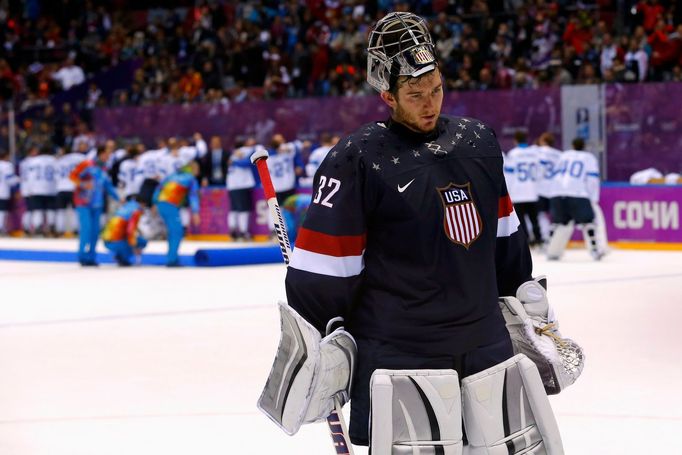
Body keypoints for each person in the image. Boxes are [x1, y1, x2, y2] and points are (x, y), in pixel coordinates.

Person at [277, 12, 568, 453]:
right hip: (403, 357)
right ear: (387, 95)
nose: (430, 103)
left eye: (436, 90)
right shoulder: (356, 159)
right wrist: (320, 341)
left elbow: (505, 238)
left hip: (487, 347)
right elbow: (325, 272)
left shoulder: (479, 142)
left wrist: (524, 296)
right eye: (415, 94)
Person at [546, 137, 604, 261]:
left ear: (572, 145)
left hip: (557, 193)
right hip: (578, 193)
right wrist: (593, 198)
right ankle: (595, 250)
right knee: (589, 223)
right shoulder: (589, 158)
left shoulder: (564, 155)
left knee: (558, 223)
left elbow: (554, 174)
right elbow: (592, 179)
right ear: (584, 146)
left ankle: (551, 250)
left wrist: (552, 193)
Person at [70, 145, 119, 266]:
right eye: (107, 154)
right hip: (83, 202)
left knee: (95, 231)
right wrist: (82, 184)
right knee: (86, 229)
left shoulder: (104, 169)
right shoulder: (87, 164)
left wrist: (118, 197)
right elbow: (72, 176)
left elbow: (107, 185)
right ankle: (82, 256)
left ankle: (91, 256)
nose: (108, 157)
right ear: (100, 154)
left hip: (97, 203)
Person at [152, 161, 200, 267]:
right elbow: (193, 196)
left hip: (161, 204)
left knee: (173, 231)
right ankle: (172, 260)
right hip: (170, 205)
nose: (198, 173)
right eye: (197, 170)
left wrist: (155, 202)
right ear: (193, 169)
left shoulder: (172, 176)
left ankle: (172, 257)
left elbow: (159, 188)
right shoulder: (191, 179)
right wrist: (195, 212)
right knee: (177, 232)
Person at [504, 131, 543, 246]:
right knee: (534, 218)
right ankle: (539, 239)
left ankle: (526, 240)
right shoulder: (534, 153)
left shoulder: (513, 154)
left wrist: (508, 191)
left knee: (521, 219)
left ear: (515, 140)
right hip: (532, 191)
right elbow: (540, 172)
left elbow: (509, 175)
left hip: (518, 192)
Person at [227, 138, 263, 241]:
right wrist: (236, 160)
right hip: (240, 185)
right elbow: (249, 162)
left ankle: (233, 231)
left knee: (234, 209)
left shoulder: (234, 154)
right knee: (243, 209)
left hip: (232, 185)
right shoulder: (243, 151)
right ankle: (243, 232)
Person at [102, 197, 147, 266]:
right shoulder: (136, 211)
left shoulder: (124, 209)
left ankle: (120, 255)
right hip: (116, 242)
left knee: (132, 240)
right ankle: (123, 257)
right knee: (141, 242)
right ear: (142, 204)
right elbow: (130, 230)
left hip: (107, 240)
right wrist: (134, 246)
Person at [55, 146, 86, 237]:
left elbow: (56, 175)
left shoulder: (60, 161)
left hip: (61, 188)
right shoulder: (80, 158)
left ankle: (59, 231)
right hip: (74, 188)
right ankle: (76, 230)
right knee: (76, 211)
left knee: (61, 211)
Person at [0, 151, 18, 234]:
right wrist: (18, 181)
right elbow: (10, 179)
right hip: (2, 192)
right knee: (2, 211)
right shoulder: (7, 165)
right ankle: (1, 228)